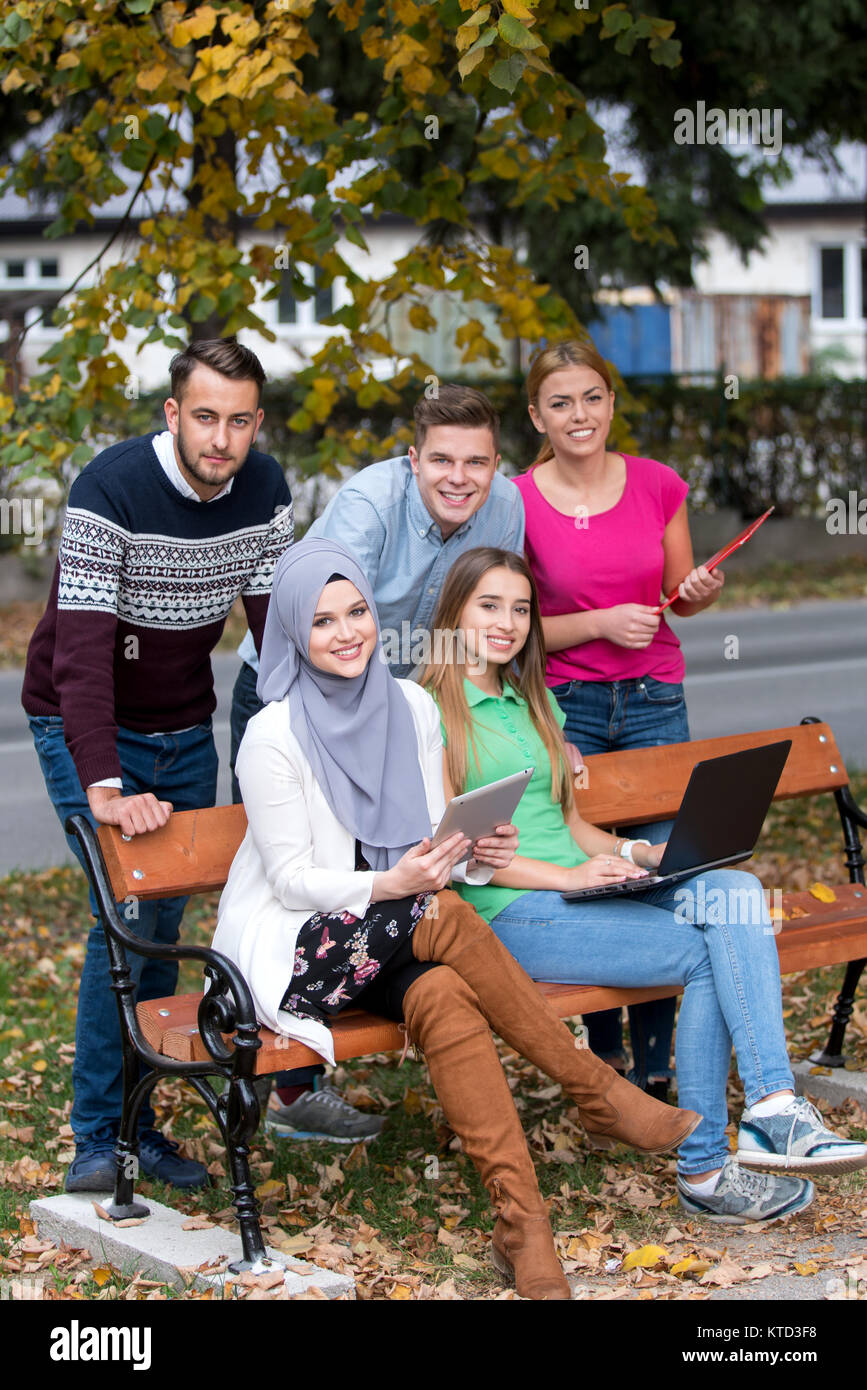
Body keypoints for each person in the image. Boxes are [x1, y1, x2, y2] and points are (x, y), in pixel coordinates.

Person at [213, 537, 700, 1298]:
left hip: (402, 931)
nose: (346, 633)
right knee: (437, 913)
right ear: (291, 637)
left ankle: (522, 1226)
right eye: (321, 622)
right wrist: (397, 882)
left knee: (441, 991)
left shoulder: (408, 707)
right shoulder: (272, 734)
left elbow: (442, 840)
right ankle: (595, 1091)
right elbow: (292, 880)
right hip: (304, 950)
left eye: (357, 613)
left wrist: (477, 851)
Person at [422, 547, 867, 1224]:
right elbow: (456, 854)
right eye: (488, 605)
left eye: (519, 608)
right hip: (509, 910)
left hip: (581, 884)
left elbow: (568, 822)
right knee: (703, 953)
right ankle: (705, 1170)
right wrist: (570, 876)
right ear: (453, 612)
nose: (506, 622)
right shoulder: (428, 711)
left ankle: (773, 1107)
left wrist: (639, 852)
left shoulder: (532, 697)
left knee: (734, 892)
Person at [22, 338, 294, 1193]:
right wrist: (104, 784)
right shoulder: (109, 488)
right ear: (173, 414)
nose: (222, 437)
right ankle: (96, 1140)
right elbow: (81, 655)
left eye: (239, 420)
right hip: (80, 719)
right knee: (126, 925)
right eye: (204, 416)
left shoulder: (264, 488)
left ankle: (140, 1131)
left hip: (183, 725)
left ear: (256, 422)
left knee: (162, 941)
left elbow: (277, 634)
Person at [227, 384, 526, 1142]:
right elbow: (323, 616)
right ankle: (285, 1083)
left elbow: (492, 613)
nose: (460, 478)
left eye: (478, 462)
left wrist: (512, 718)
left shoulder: (505, 508)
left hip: (390, 698)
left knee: (409, 858)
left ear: (497, 463)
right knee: (297, 865)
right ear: (412, 457)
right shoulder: (367, 509)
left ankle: (300, 1079)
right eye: (442, 461)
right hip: (293, 685)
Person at [514, 339, 727, 1100]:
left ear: (610, 403)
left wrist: (698, 592)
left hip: (652, 700)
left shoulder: (657, 483)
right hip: (564, 706)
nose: (580, 415)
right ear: (537, 414)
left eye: (592, 398)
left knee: (664, 870)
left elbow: (679, 594)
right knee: (593, 872)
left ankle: (658, 1066)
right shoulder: (517, 500)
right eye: (561, 402)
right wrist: (599, 621)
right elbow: (512, 628)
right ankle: (605, 1058)